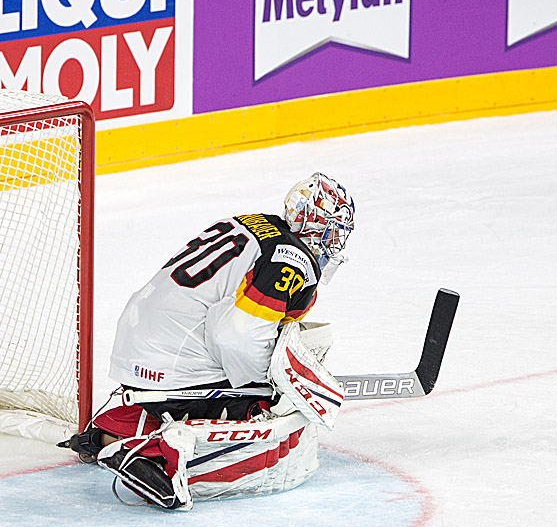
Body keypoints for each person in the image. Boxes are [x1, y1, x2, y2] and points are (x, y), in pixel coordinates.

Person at [60, 172, 355, 509]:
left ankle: (108, 435)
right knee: (266, 407)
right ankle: (152, 454)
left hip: (143, 348)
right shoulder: (292, 260)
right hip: (174, 362)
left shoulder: (255, 223)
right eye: (335, 231)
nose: (336, 242)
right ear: (317, 226)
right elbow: (236, 336)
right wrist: (274, 381)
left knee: (217, 388)